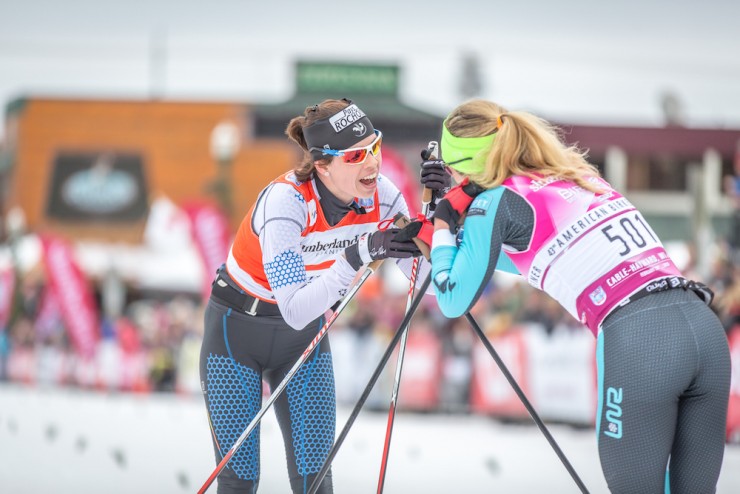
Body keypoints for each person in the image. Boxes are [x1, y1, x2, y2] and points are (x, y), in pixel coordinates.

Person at [404, 99, 731, 493]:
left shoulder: (494, 202)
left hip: (641, 338)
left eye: (455, 172)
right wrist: (452, 238)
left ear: (467, 167)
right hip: (702, 327)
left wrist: (441, 226)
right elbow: (530, 258)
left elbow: (453, 296)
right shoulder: (574, 176)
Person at [199, 98, 440, 494]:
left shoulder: (383, 195)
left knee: (315, 480)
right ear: (323, 164)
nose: (372, 163)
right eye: (356, 155)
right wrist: (359, 253)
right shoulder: (286, 202)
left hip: (302, 343)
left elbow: (428, 282)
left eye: (375, 147)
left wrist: (440, 215)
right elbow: (294, 308)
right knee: (238, 481)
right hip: (235, 336)